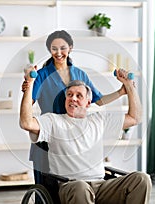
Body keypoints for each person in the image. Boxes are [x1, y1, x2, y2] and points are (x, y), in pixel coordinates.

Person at [20, 69, 152, 204]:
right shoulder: (53, 121)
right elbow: (26, 123)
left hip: (101, 186)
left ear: (88, 103)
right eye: (69, 95)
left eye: (79, 95)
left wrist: (129, 86)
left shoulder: (99, 120)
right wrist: (29, 85)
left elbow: (135, 118)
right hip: (71, 186)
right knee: (81, 187)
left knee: (141, 179)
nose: (73, 98)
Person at [22, 30, 129, 191]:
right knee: (48, 190)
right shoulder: (42, 75)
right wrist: (28, 85)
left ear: (70, 48)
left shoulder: (79, 73)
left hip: (75, 135)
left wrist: (121, 91)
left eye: (63, 48)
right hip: (49, 132)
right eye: (54, 48)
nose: (59, 53)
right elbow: (28, 103)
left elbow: (98, 100)